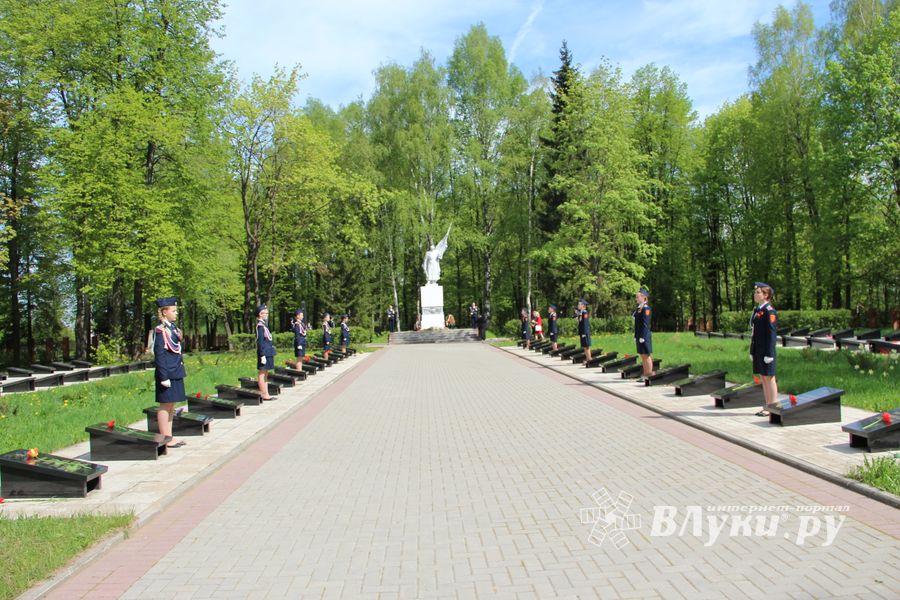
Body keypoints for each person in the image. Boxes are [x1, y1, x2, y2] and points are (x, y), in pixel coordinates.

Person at [152, 297, 186, 449]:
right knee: (165, 406)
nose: (176, 313)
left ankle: (169, 436)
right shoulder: (161, 331)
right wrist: (163, 376)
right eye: (173, 310)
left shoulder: (172, 328)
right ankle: (165, 437)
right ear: (164, 312)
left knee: (171, 406)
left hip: (176, 372)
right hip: (167, 374)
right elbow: (159, 355)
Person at [750, 282, 778, 417]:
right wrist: (752, 350)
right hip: (759, 349)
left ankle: (773, 405)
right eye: (756, 292)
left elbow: (771, 334)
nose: (755, 294)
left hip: (766, 351)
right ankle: (767, 404)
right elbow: (754, 334)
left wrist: (769, 353)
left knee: (769, 377)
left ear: (766, 295)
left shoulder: (769, 311)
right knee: (763, 377)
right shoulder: (758, 310)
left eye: (758, 292)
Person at [634, 287, 654, 378]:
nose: (636, 299)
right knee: (642, 355)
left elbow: (645, 324)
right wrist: (636, 336)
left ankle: (649, 373)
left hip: (644, 336)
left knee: (646, 355)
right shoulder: (639, 309)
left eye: (638, 297)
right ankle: (645, 374)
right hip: (639, 336)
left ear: (643, 297)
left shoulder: (646, 308)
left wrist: (642, 336)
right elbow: (637, 325)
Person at [256, 305, 275, 400]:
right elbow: (260, 342)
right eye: (265, 313)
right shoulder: (260, 326)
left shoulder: (263, 325)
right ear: (260, 314)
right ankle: (264, 394)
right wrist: (262, 355)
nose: (267, 314)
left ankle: (266, 393)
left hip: (267, 351)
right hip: (263, 352)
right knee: (262, 372)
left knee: (266, 372)